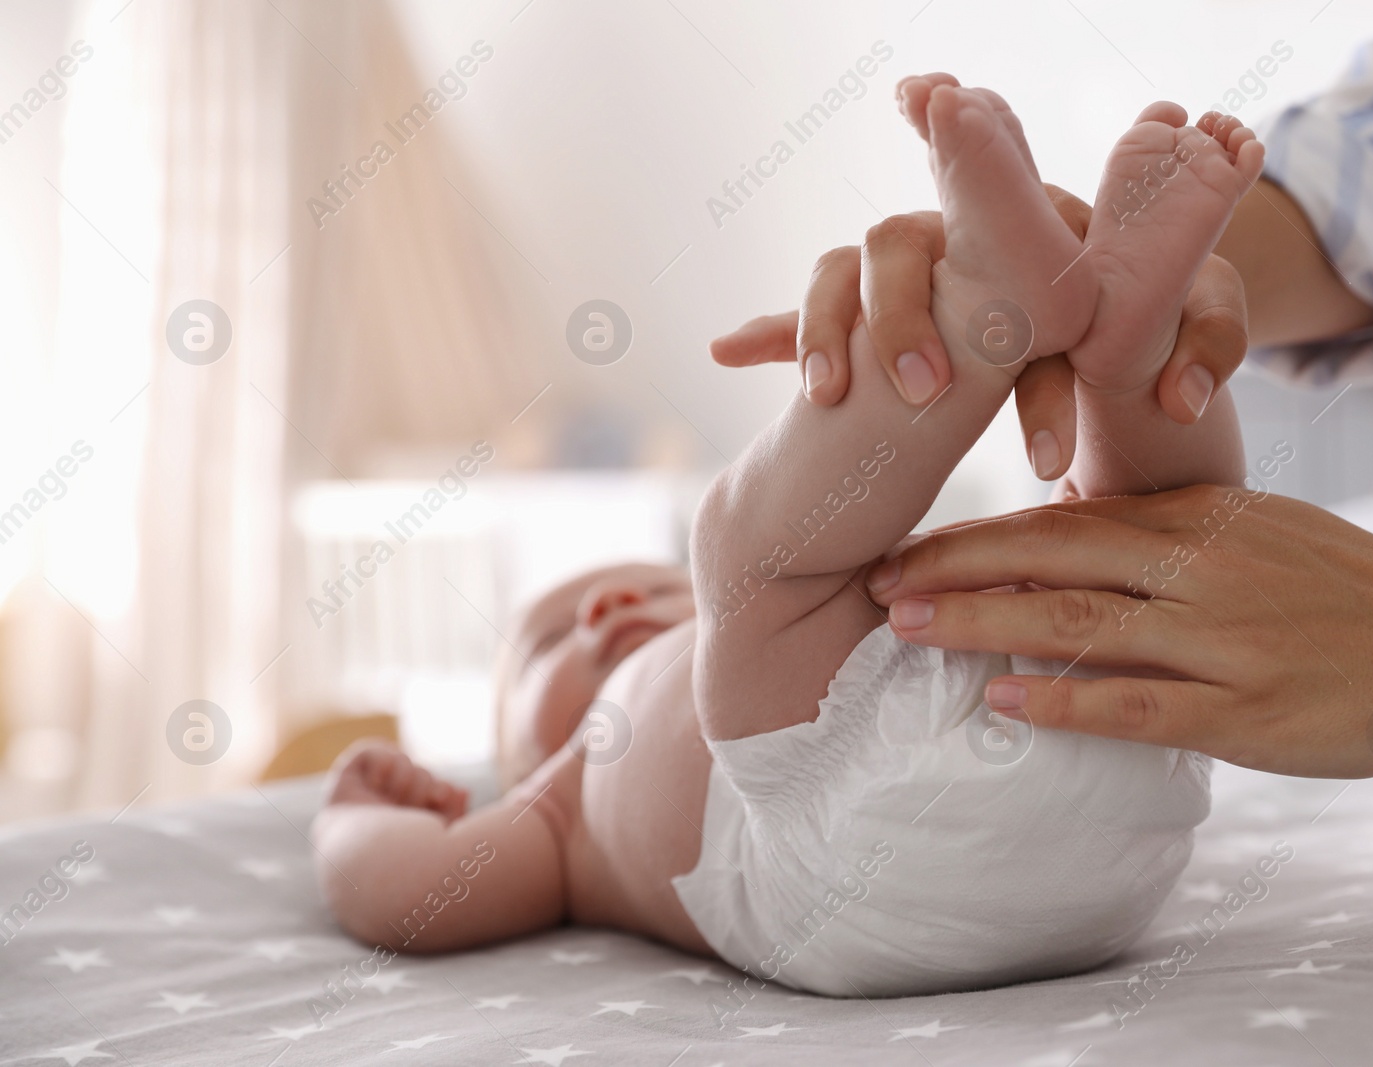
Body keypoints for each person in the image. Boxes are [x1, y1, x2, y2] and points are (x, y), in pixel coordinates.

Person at [309, 80, 1265, 997]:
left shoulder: (780, 659)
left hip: (1105, 768)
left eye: (625, 604)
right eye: (547, 647)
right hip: (871, 847)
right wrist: (356, 824)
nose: (604, 611)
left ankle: (1111, 343)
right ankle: (1025, 329)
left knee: (1142, 558)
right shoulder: (559, 816)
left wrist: (354, 825)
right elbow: (418, 898)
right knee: (739, 550)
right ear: (519, 764)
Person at [712, 3, 1373, 780]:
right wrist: (1101, 276)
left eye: (560, 622)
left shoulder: (612, 721)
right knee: (1152, 539)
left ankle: (1035, 330)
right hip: (1115, 766)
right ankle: (1105, 344)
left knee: (747, 579)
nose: (591, 618)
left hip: (884, 809)